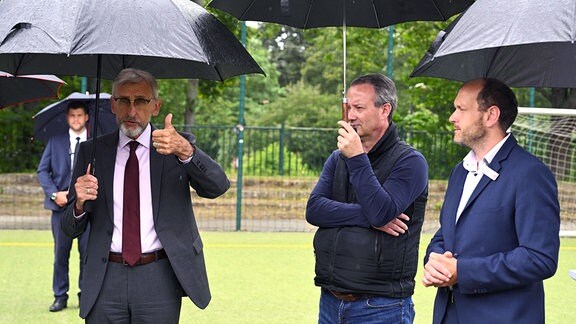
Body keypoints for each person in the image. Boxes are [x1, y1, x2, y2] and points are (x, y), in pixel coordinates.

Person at [62, 68, 230, 323]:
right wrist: (80, 204)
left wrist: (186, 151)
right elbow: (69, 228)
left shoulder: (174, 146)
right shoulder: (92, 151)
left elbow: (217, 186)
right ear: (112, 104)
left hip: (159, 277)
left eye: (140, 101)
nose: (131, 111)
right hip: (105, 276)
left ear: (156, 106)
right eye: (124, 101)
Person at [422, 78, 560, 324]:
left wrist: (462, 272)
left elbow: (540, 258)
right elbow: (446, 235)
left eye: (461, 109)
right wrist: (434, 261)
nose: (452, 117)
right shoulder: (459, 171)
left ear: (490, 115)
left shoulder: (530, 173)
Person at [306, 73, 429, 323]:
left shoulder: (410, 162)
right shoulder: (337, 157)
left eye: (359, 108)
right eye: (349, 106)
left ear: (385, 110)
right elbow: (315, 210)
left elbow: (381, 212)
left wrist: (357, 159)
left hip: (382, 307)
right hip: (330, 301)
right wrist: (366, 217)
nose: (350, 115)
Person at [37, 101, 90, 312]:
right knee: (61, 254)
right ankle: (60, 295)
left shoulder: (96, 143)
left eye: (80, 115)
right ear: (67, 118)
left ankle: (85, 293)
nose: (76, 119)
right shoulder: (55, 141)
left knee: (87, 254)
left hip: (88, 209)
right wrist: (53, 193)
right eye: (72, 116)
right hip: (60, 209)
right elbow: (42, 171)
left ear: (87, 117)